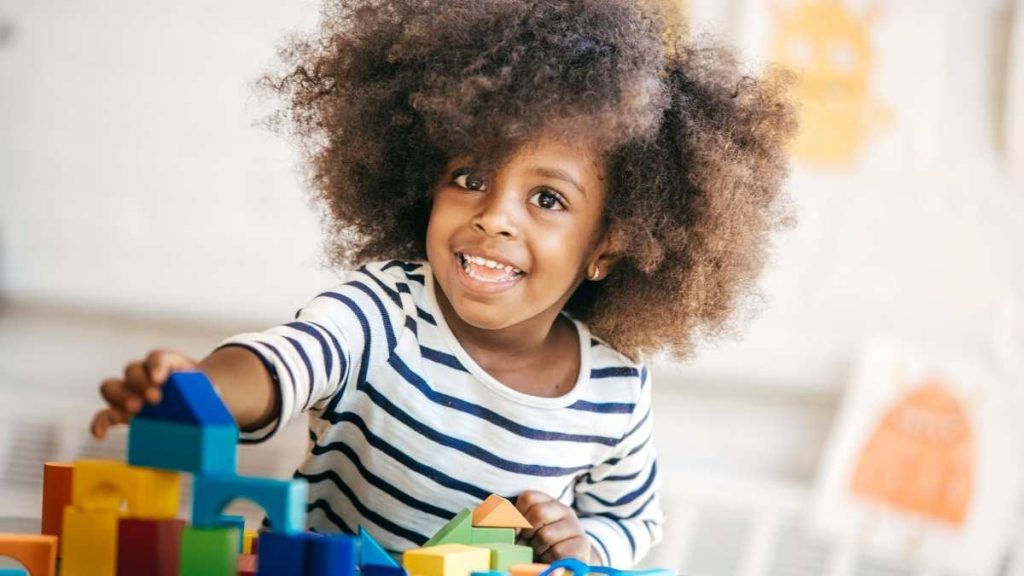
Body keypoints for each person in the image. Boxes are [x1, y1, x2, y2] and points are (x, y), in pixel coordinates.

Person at [90, 0, 796, 567]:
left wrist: (581, 542)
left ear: (608, 248)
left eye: (546, 199)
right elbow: (285, 363)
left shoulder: (614, 392)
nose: (493, 217)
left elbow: (632, 516)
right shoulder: (383, 310)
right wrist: (197, 389)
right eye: (470, 178)